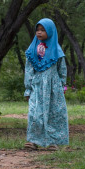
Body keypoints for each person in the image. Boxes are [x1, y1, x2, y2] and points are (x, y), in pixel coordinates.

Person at [23, 18, 69, 150]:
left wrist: (61, 85)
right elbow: (28, 70)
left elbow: (62, 69)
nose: (39, 32)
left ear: (50, 31)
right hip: (36, 86)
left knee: (54, 114)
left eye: (43, 30)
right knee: (34, 113)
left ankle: (52, 142)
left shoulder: (57, 50)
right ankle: (33, 141)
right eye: (37, 30)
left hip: (53, 88)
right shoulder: (32, 50)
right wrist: (28, 89)